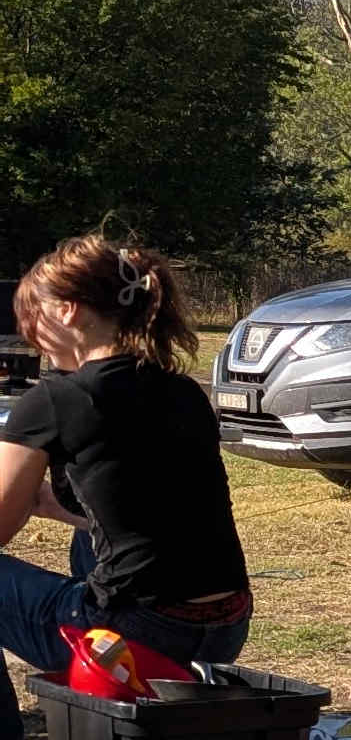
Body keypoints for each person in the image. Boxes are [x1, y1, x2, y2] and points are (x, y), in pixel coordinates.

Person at [0, 237, 253, 676]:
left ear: (67, 310)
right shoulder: (181, 390)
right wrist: (39, 501)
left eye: (31, 317)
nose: (29, 336)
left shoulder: (57, 398)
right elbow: (150, 514)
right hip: (224, 627)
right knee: (88, 539)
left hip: (135, 636)